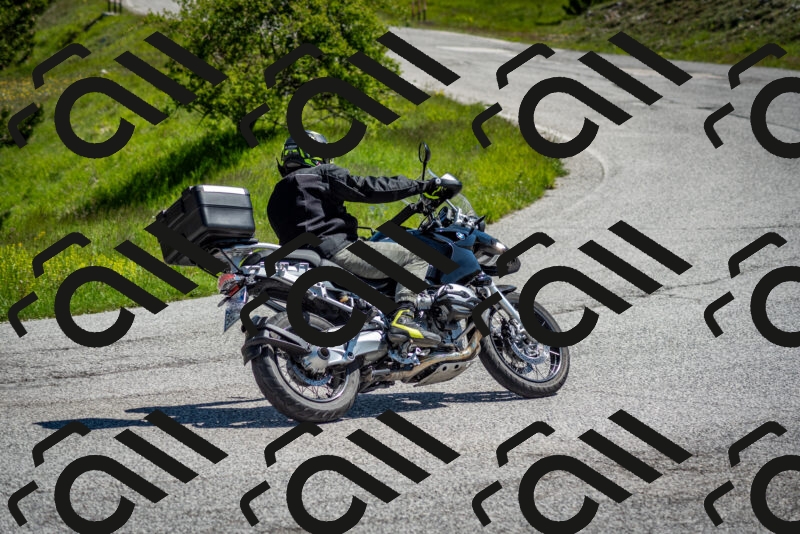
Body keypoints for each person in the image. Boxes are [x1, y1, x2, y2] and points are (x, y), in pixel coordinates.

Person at [267, 131, 449, 346]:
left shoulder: (276, 196)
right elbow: (368, 188)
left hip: (304, 262)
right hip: (337, 252)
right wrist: (422, 185)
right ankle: (404, 318)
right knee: (415, 256)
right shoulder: (321, 174)